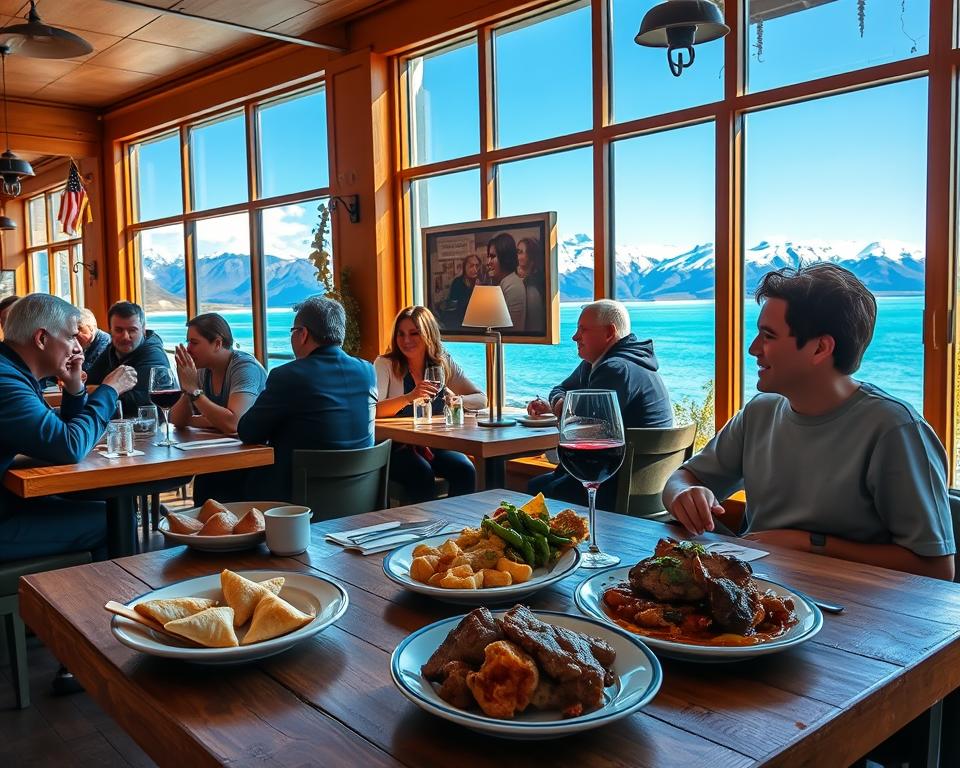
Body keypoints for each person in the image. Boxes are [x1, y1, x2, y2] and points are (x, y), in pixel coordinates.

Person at [662, 264, 954, 581]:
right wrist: (683, 494)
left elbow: (936, 569)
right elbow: (683, 477)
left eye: (769, 336)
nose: (753, 348)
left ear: (820, 348)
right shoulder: (760, 412)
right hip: (761, 601)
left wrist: (811, 545)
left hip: (855, 616)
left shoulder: (894, 429)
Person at [0, 293, 138, 562]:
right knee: (112, 519)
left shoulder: (11, 371)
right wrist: (109, 390)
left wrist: (75, 389)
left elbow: (56, 436)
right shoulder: (6, 382)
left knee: (98, 508)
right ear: (41, 339)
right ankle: (102, 601)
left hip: (7, 502)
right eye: (71, 336)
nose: (78, 348)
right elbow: (70, 446)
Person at [527, 299, 672, 510]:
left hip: (620, 486)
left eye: (582, 330)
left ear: (609, 333)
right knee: (538, 485)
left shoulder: (616, 369)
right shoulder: (599, 362)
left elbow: (581, 424)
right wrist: (562, 405)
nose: (575, 336)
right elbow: (559, 390)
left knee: (538, 491)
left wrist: (561, 408)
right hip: (647, 488)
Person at [237, 296, 376, 501]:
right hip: (358, 495)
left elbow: (248, 432)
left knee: (219, 482)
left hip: (297, 501)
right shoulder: (367, 371)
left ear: (303, 334)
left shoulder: (288, 375)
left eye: (293, 332)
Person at [374, 306, 486, 502]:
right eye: (401, 334)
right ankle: (421, 531)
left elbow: (481, 398)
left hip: (434, 444)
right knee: (421, 475)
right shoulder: (385, 364)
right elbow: (374, 411)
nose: (406, 340)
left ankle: (457, 528)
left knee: (466, 470)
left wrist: (458, 400)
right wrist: (409, 397)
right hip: (395, 447)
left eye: (413, 333)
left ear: (428, 335)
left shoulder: (443, 363)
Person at [170, 313, 267, 504]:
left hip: (254, 464)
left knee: (210, 485)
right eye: (187, 342)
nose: (188, 349)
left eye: (194, 342)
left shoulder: (245, 368)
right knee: (205, 485)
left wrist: (195, 392)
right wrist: (186, 387)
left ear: (217, 343)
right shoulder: (202, 369)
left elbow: (233, 423)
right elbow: (178, 420)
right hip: (222, 458)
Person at [86, 301, 170, 417]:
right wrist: (109, 389)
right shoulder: (113, 349)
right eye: (119, 330)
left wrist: (100, 390)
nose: (125, 337)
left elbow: (139, 403)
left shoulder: (154, 355)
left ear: (143, 330)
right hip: (118, 425)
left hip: (149, 428)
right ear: (110, 330)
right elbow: (87, 384)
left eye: (132, 330)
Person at [485, 232, 526, 329]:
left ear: (505, 257)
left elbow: (510, 330)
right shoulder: (505, 283)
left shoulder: (513, 286)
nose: (488, 262)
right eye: (488, 257)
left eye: (493, 256)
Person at [444, 253, 481, 328]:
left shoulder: (481, 281)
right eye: (471, 266)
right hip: (460, 323)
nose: (475, 269)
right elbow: (453, 307)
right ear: (465, 268)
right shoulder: (457, 282)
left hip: (477, 322)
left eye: (477, 266)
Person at [517, 237, 545, 333]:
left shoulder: (531, 286)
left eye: (520, 252)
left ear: (530, 256)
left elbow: (534, 324)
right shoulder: (527, 281)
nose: (516, 256)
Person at [76, 307, 111, 374]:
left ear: (91, 328)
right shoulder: (83, 343)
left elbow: (88, 372)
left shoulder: (106, 344)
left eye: (77, 331)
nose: (74, 338)